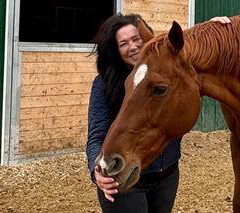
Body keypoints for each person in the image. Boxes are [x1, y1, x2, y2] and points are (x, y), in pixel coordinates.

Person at [87, 13, 230, 212]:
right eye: (124, 43)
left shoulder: (167, 73)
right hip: (125, 178)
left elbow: (192, 53)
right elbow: (96, 136)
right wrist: (97, 172)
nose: (133, 46)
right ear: (116, 50)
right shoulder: (104, 84)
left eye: (136, 39)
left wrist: (214, 32)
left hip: (166, 176)